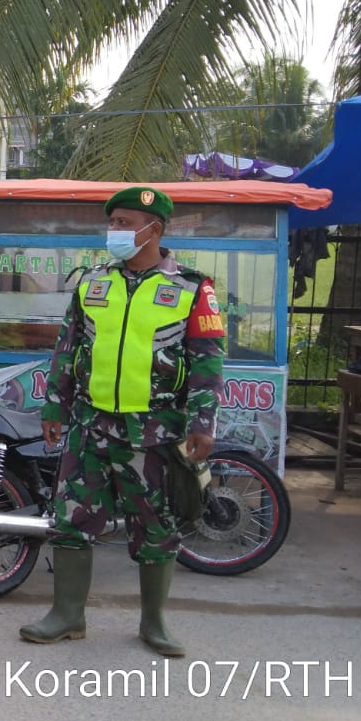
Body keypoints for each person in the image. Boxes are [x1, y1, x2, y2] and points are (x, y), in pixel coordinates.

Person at [22, 186, 224, 657]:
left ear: (154, 229)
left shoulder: (193, 288)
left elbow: (207, 361)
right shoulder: (94, 282)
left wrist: (203, 423)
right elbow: (68, 348)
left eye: (125, 223)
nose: (115, 231)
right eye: (112, 222)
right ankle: (66, 615)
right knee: (71, 521)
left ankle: (153, 624)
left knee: (156, 527)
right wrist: (55, 406)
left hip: (154, 432)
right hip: (90, 426)